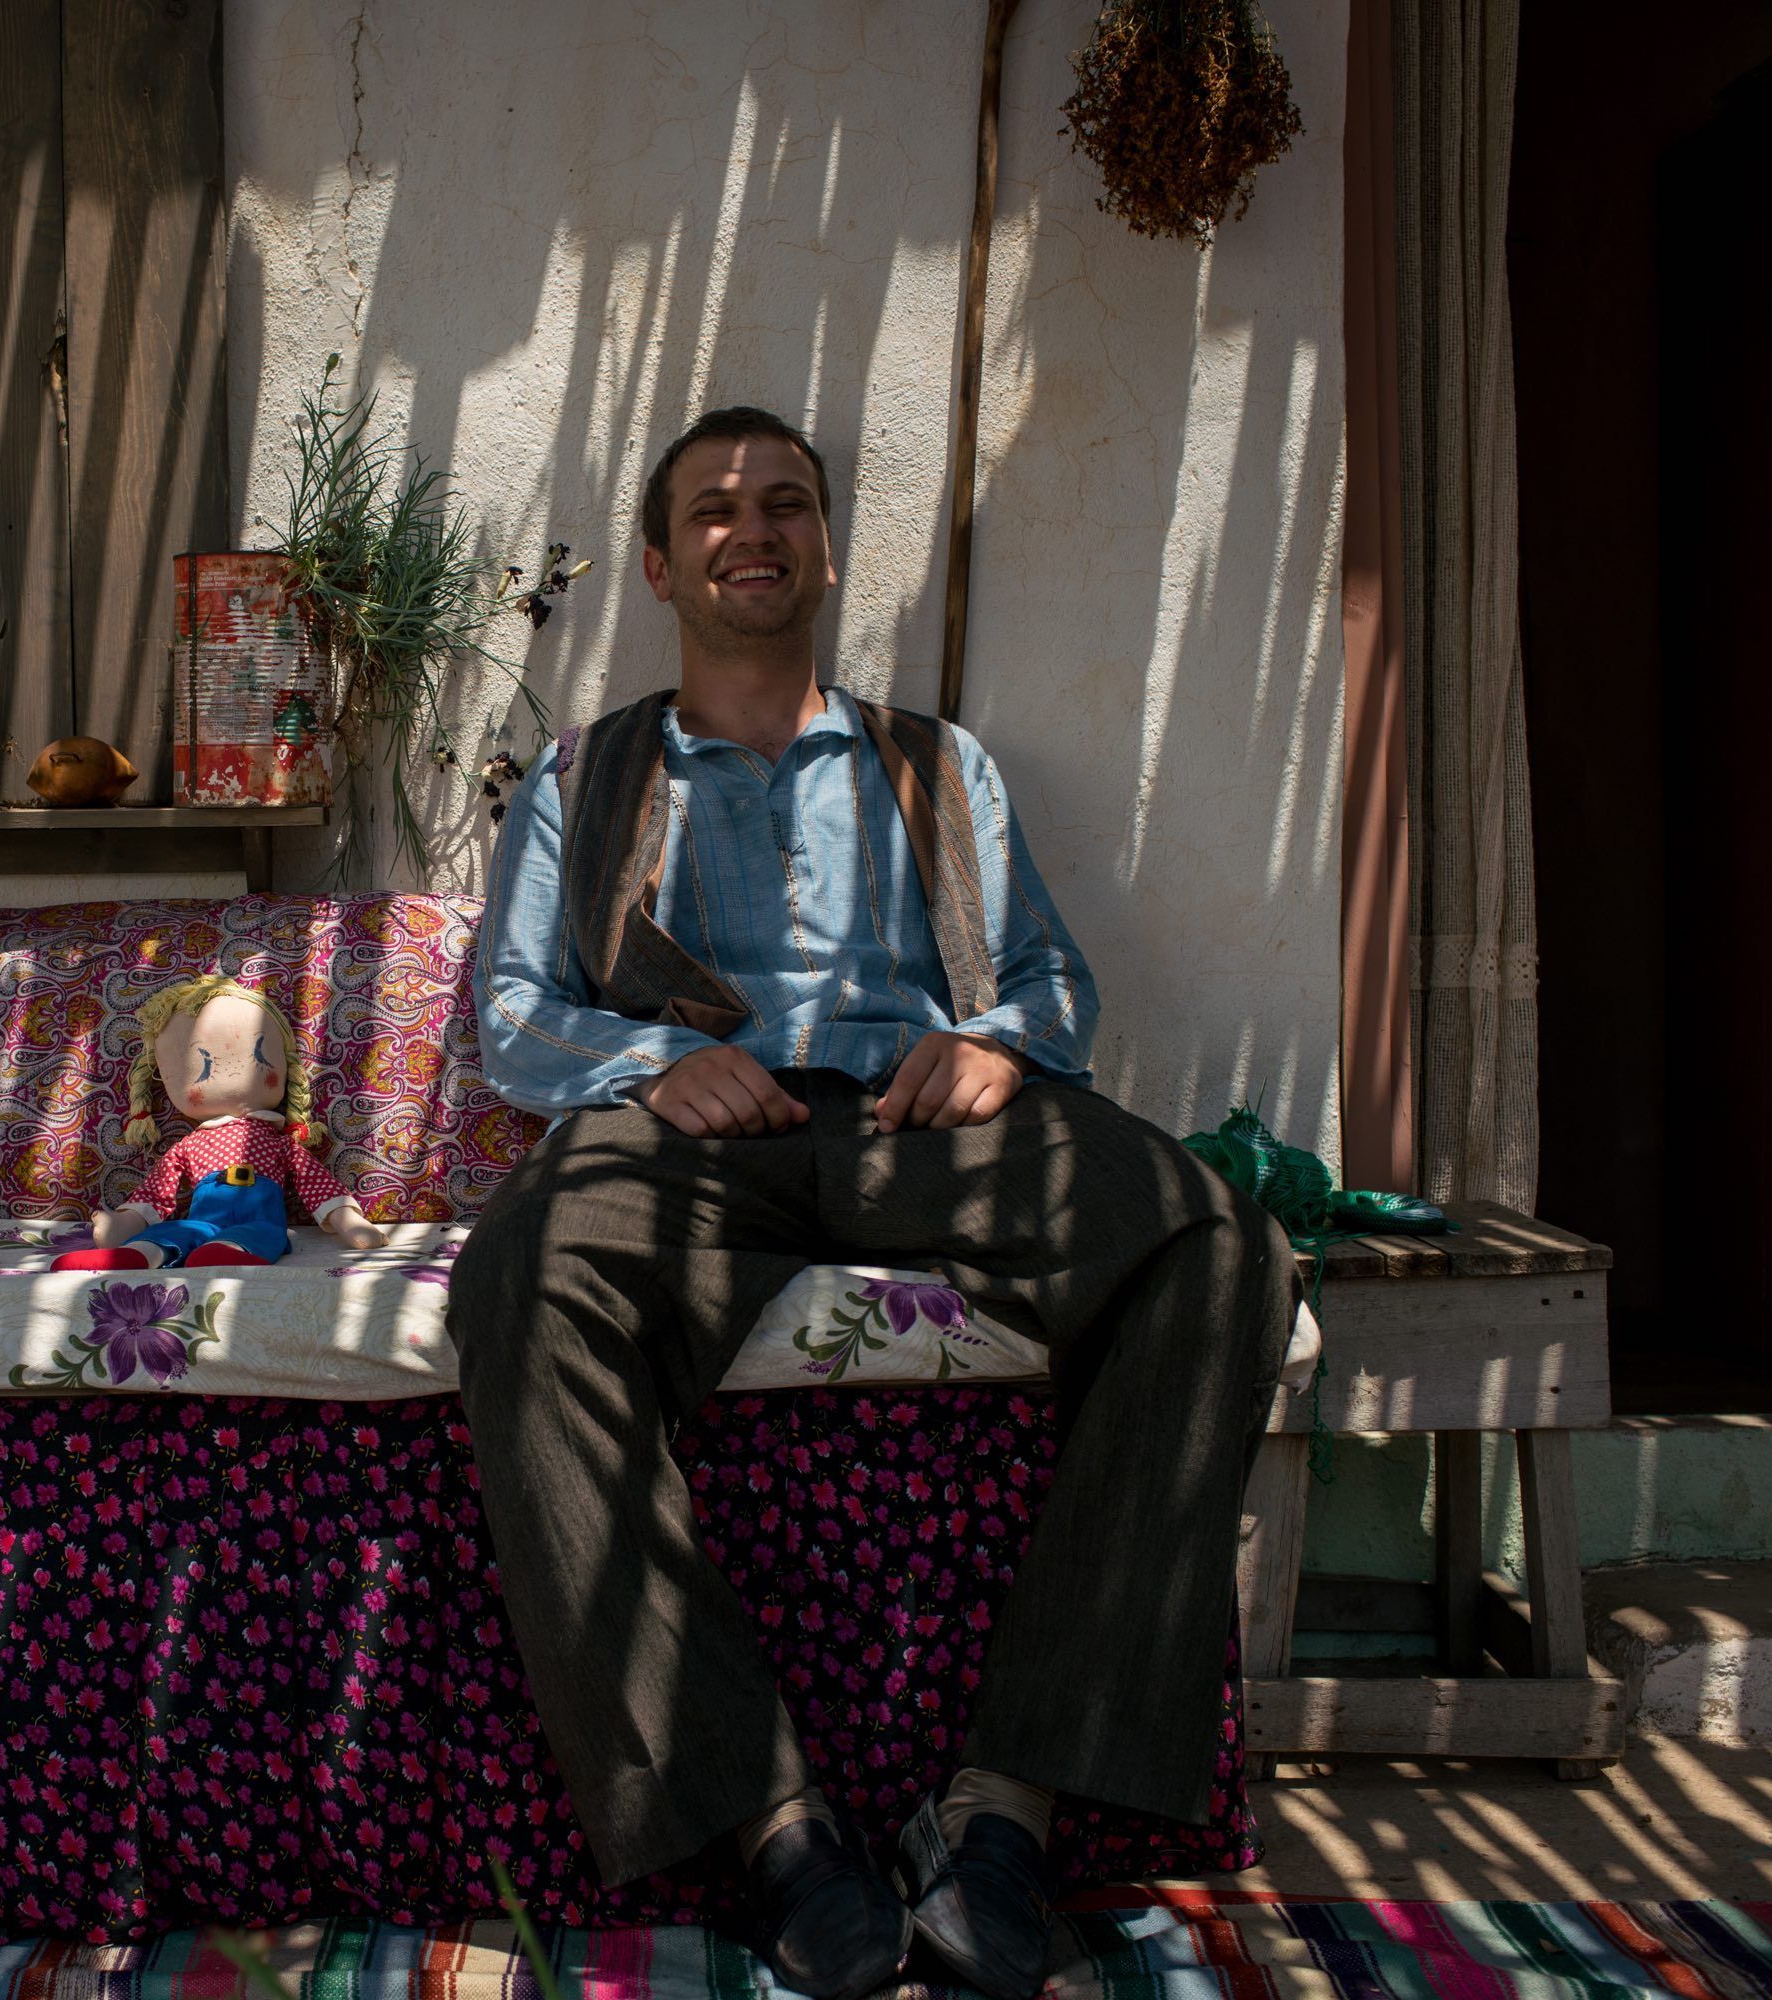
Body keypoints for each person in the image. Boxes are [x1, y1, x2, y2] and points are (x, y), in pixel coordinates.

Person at [453, 407, 1297, 2000]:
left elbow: (1047, 976)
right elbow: (511, 1013)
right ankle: (770, 1828)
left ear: (827, 550)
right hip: (699, 1126)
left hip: (919, 1114)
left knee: (1215, 1243)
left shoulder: (940, 765)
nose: (751, 529)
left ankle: (1004, 1814)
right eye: (713, 509)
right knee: (519, 1278)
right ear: (660, 564)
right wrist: (653, 1063)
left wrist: (995, 1043)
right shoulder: (581, 774)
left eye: (784, 504)